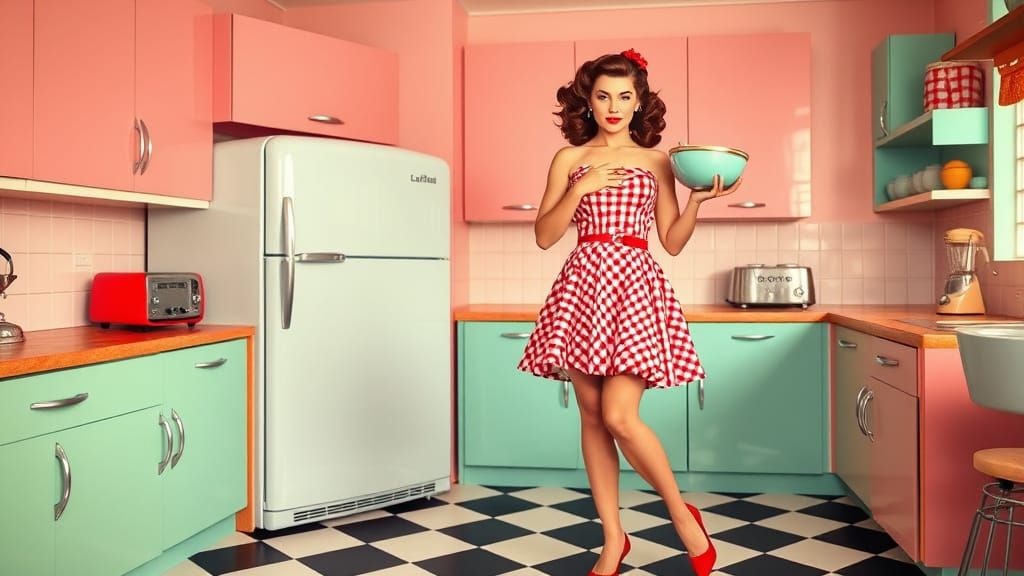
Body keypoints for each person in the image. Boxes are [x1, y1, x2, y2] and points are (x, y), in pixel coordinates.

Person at [516, 48, 742, 576]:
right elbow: (546, 236)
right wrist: (581, 189)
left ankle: (682, 516)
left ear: (639, 102)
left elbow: (672, 241)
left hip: (636, 287)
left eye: (625, 96)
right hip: (581, 287)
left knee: (620, 415)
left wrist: (694, 206)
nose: (613, 106)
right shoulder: (568, 160)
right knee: (593, 417)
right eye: (602, 96)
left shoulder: (658, 160)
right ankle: (614, 540)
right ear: (588, 101)